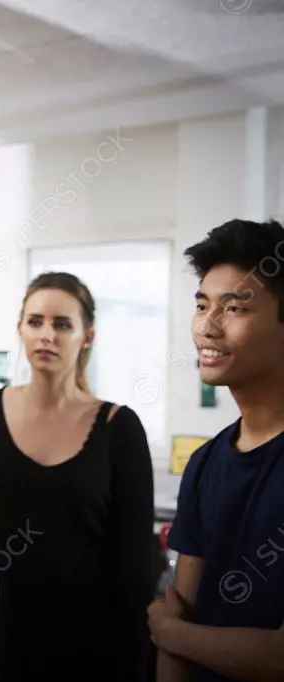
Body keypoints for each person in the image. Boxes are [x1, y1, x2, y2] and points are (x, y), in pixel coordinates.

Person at [0, 271, 156, 682]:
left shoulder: (118, 428)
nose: (46, 335)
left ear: (88, 336)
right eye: (35, 322)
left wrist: (132, 666)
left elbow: (136, 571)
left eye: (62, 324)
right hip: (19, 642)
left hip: (100, 648)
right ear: (20, 329)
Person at [150, 219, 284, 682]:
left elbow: (278, 657)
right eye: (202, 305)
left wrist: (170, 634)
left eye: (234, 308)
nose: (207, 326)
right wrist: (173, 634)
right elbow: (179, 606)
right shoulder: (206, 463)